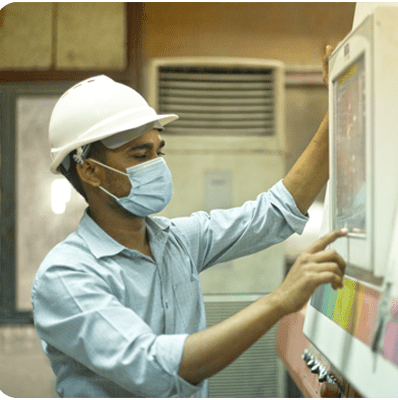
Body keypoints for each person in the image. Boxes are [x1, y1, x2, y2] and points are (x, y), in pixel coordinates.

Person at [31, 49, 345, 398]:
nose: (157, 165)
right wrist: (280, 300)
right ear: (91, 171)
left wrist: (340, 101)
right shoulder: (65, 277)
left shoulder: (174, 241)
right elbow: (155, 368)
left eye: (158, 151)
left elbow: (273, 213)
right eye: (140, 155)